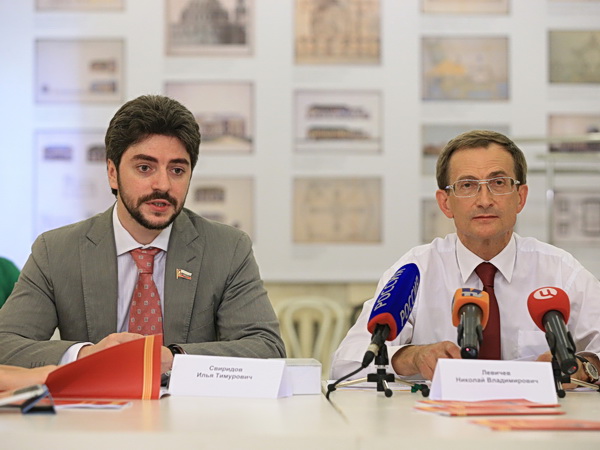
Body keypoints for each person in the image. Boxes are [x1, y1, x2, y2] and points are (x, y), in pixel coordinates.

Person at [0, 95, 285, 374]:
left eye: (177, 170)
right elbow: (6, 343)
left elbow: (266, 347)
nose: (163, 184)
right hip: (94, 403)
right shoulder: (56, 251)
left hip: (191, 405)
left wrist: (174, 359)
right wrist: (86, 356)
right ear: (112, 173)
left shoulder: (228, 249)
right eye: (145, 168)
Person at [331, 130, 600, 387]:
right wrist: (411, 357)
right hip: (440, 417)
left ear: (520, 197)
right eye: (467, 185)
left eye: (498, 183)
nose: (484, 200)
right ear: (445, 202)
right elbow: (345, 364)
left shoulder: (561, 271)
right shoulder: (416, 270)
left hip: (540, 417)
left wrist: (585, 368)